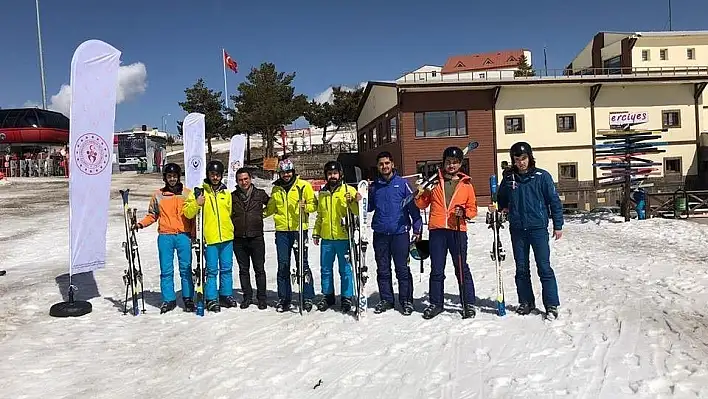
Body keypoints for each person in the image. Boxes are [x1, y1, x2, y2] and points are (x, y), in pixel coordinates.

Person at [489, 141, 563, 320]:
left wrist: (558, 224)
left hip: (537, 228)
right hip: (517, 229)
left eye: (524, 158)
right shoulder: (509, 179)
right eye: (517, 159)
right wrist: (498, 208)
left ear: (530, 158)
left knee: (544, 267)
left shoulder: (541, 176)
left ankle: (551, 304)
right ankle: (526, 301)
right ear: (513, 160)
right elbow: (502, 200)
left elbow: (554, 201)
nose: (521, 162)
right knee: (521, 268)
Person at [414, 146, 478, 320]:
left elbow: (472, 209)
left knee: (461, 268)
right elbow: (422, 204)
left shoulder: (466, 184)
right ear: (443, 163)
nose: (451, 165)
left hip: (457, 230)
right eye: (448, 162)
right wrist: (421, 193)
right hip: (437, 231)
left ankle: (468, 303)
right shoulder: (435, 182)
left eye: (455, 162)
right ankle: (436, 303)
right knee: (437, 269)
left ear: (460, 164)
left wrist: (464, 213)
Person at [132, 163, 194, 314]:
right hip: (165, 236)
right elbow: (152, 215)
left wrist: (194, 235)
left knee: (186, 269)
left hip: (183, 236)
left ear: (179, 177)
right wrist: (140, 224)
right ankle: (169, 299)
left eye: (174, 176)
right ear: (165, 178)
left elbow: (193, 217)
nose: (172, 179)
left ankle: (188, 298)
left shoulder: (187, 194)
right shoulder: (158, 195)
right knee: (166, 270)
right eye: (169, 176)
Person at [368, 151, 422, 316]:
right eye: (381, 164)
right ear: (378, 166)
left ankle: (406, 300)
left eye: (387, 163)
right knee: (383, 269)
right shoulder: (374, 187)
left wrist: (417, 228)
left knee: (402, 269)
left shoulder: (402, 184)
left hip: (400, 234)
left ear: (392, 164)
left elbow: (413, 207)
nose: (384, 166)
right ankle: (386, 299)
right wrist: (361, 195)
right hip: (380, 234)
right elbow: (368, 207)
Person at [264, 158, 317, 312]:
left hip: (299, 228)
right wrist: (254, 215)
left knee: (302, 263)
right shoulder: (276, 189)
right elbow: (271, 209)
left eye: (288, 172)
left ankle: (307, 296)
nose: (286, 175)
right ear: (279, 173)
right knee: (283, 265)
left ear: (293, 172)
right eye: (283, 172)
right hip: (282, 231)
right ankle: (284, 298)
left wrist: (305, 206)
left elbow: (314, 205)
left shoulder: (303, 186)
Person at [183, 160, 236, 312]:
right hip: (209, 239)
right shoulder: (199, 192)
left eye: (217, 174)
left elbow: (229, 212)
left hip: (226, 237)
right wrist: (197, 203)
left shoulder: (226, 193)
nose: (215, 177)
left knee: (227, 268)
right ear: (208, 175)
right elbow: (187, 212)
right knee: (212, 270)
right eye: (212, 174)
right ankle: (211, 298)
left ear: (221, 175)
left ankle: (226, 294)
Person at [312, 161, 361, 312]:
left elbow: (357, 211)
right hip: (327, 238)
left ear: (340, 174)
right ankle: (328, 295)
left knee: (345, 269)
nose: (332, 176)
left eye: (335, 173)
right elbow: (320, 215)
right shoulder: (322, 193)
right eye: (329, 174)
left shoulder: (349, 190)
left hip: (344, 237)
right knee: (325, 269)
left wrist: (355, 201)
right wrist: (316, 232)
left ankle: (346, 297)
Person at [231, 168, 270, 310]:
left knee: (259, 269)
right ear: (237, 181)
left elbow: (271, 206)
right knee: (243, 270)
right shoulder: (233, 196)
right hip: (239, 238)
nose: (243, 182)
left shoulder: (260, 194)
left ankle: (262, 298)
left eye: (246, 179)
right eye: (240, 180)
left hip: (256, 237)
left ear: (250, 179)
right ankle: (247, 297)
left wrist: (261, 216)